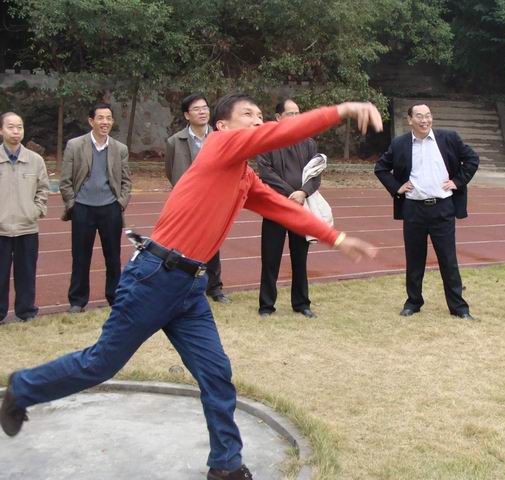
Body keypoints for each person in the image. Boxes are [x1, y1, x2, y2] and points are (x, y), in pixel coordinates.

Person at [1, 94, 381, 480]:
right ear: (221, 126)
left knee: (216, 373)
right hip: (154, 278)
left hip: (190, 287)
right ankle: (24, 387)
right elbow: (279, 133)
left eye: (260, 115)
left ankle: (226, 465)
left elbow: (283, 208)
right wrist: (342, 111)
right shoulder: (219, 146)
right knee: (101, 363)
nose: (257, 120)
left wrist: (335, 237)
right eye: (248, 114)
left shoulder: (244, 177)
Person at [374, 103, 479, 320]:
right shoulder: (400, 144)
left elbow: (472, 159)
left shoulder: (448, 138)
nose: (425, 120)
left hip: (443, 208)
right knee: (414, 259)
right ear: (409, 120)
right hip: (414, 209)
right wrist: (397, 187)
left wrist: (457, 181)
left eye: (428, 115)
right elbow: (381, 168)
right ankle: (413, 302)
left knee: (448, 260)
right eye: (419, 116)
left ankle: (459, 307)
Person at [59, 103, 132, 313]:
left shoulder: (119, 149)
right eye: (100, 118)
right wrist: (73, 204)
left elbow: (126, 181)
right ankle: (77, 300)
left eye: (108, 118)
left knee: (113, 257)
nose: (105, 122)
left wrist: (120, 202)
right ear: (91, 121)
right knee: (80, 257)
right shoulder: (75, 145)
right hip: (83, 208)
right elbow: (65, 181)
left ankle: (115, 297)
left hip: (110, 209)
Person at [256, 99, 320, 318]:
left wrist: (303, 192)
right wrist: (291, 193)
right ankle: (266, 305)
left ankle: (301, 303)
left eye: (297, 113)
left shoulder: (309, 143)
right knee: (270, 257)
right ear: (278, 118)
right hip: (275, 208)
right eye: (290, 114)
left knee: (300, 258)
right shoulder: (267, 142)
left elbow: (315, 174)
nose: (295, 117)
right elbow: (266, 173)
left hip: (301, 207)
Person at [165, 93, 230, 304]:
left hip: (214, 200)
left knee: (213, 245)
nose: (202, 112)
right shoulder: (175, 141)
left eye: (205, 108)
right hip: (188, 202)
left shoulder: (221, 137)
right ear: (187, 115)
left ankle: (215, 288)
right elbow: (170, 171)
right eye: (196, 109)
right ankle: (185, 287)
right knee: (186, 245)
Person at [0, 112, 49, 324]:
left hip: (27, 227)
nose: (16, 131)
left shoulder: (35, 160)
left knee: (26, 273)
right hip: (1, 229)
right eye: (10, 127)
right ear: (1, 130)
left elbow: (43, 189)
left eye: (19, 127)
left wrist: (35, 210)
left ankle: (26, 311)